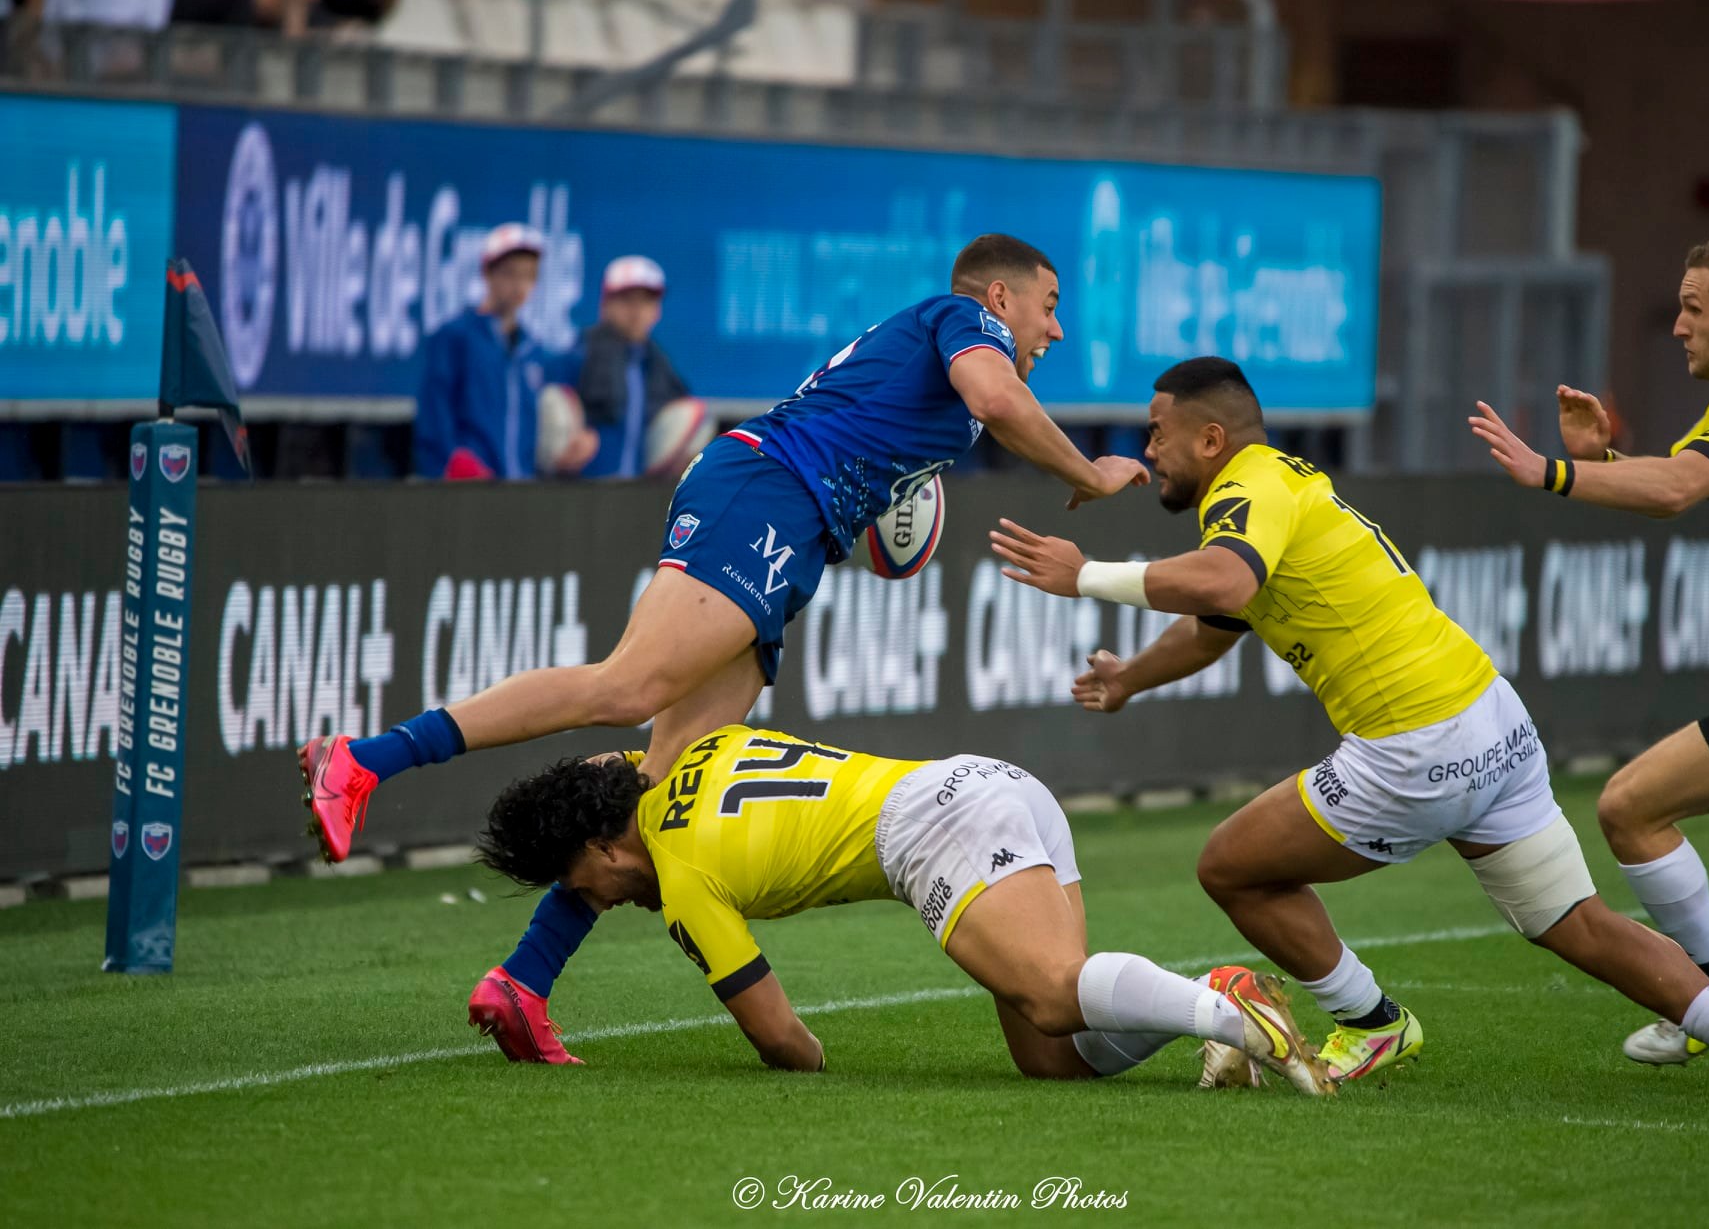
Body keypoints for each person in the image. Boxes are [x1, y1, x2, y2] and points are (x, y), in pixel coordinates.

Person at [302, 234, 1149, 1056]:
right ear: (999, 297)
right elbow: (997, 400)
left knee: (662, 773)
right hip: (767, 493)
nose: (1057, 329)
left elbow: (906, 464)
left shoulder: (938, 368)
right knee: (626, 688)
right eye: (1050, 305)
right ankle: (364, 759)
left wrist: (885, 503)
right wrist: (1090, 474)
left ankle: (524, 980)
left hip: (796, 524)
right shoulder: (965, 321)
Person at [990, 355, 1709, 1099]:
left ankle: (1372, 1019)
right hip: (1492, 720)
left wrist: (1086, 575)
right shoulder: (1282, 485)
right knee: (1582, 925)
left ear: (1211, 439)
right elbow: (1219, 620)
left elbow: (1224, 585)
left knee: (1231, 869)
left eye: (1157, 433)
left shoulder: (1248, 487)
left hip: (1415, 747)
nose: (1148, 451)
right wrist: (1131, 677)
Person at [1468, 223, 1709, 1067]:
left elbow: (1677, 489)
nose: (1677, 325)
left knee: (1629, 807)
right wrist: (1602, 457)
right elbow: (1677, 478)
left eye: (1691, 307)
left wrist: (1551, 472)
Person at [469, 723, 1333, 1091]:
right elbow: (587, 778)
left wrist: (799, 1063)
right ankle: (1215, 1001)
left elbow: (788, 1045)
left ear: (605, 847)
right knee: (1050, 1057)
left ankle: (1224, 1012)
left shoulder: (683, 884)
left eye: (578, 882)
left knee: (1049, 991)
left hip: (931, 829)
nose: (590, 902)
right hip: (991, 784)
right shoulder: (678, 752)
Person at [411, 222, 548, 481]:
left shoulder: (532, 348)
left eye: (529, 275)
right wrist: (451, 461)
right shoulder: (455, 336)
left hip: (520, 491)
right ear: (487, 272)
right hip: (466, 492)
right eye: (510, 274)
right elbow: (433, 413)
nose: (520, 285)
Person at [544, 255, 694, 479]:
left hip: (634, 493)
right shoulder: (580, 352)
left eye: (646, 301)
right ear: (605, 304)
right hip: (579, 490)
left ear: (657, 310)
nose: (637, 311)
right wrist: (566, 443)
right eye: (627, 300)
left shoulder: (658, 365)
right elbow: (549, 408)